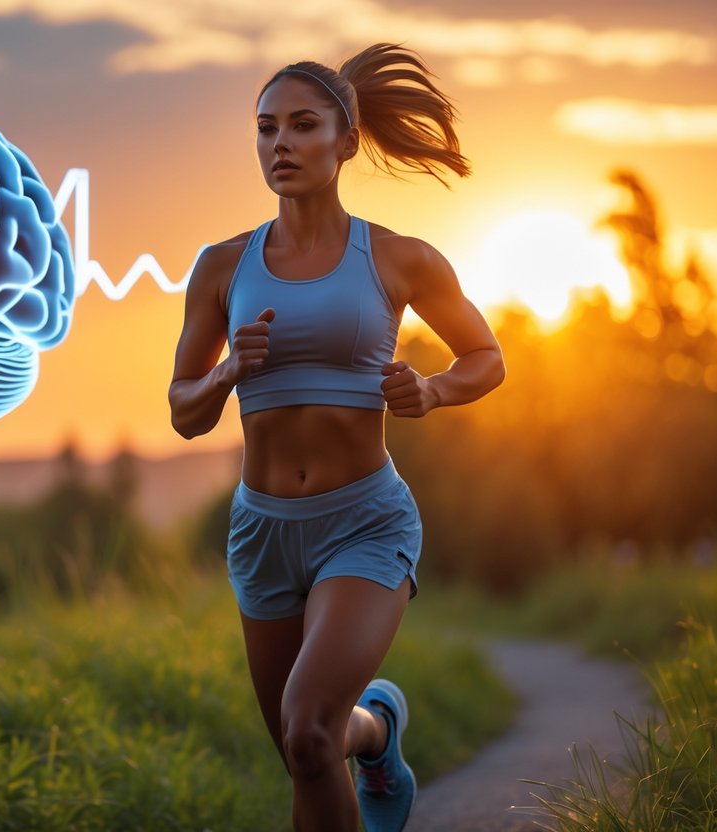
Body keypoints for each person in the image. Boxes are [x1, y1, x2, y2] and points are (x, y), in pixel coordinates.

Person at [167, 43, 505, 832]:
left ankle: (363, 728)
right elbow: (183, 412)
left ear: (345, 141)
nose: (278, 143)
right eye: (264, 129)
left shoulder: (396, 258)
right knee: (304, 749)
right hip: (262, 532)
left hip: (364, 522)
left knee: (308, 729)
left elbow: (484, 357)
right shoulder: (221, 267)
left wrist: (431, 389)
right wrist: (223, 377)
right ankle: (378, 730)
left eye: (301, 125)